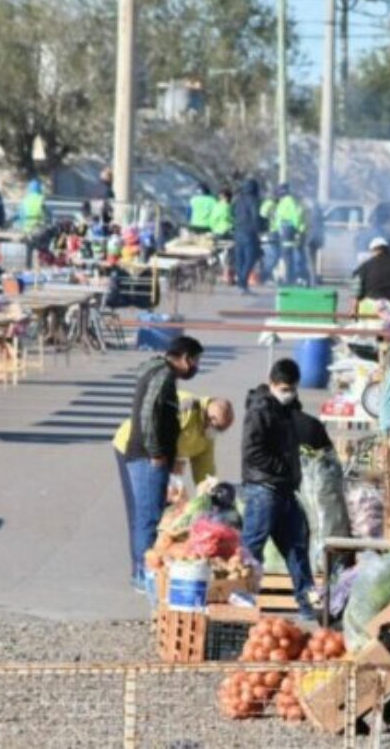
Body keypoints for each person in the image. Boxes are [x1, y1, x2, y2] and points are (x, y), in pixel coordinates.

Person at [123, 336, 204, 590]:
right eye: (195, 361)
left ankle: (144, 573)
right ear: (183, 357)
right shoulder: (164, 376)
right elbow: (148, 413)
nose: (195, 367)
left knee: (146, 517)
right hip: (148, 458)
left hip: (143, 455)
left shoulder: (155, 369)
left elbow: (157, 410)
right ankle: (144, 576)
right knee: (148, 519)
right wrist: (157, 451)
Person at [242, 358, 316, 620]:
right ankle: (240, 603)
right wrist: (283, 467)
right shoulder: (260, 410)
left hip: (284, 489)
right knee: (252, 548)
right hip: (264, 488)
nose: (290, 394)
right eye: (285, 388)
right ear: (272, 384)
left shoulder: (288, 408)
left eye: (293, 388)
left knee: (297, 545)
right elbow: (253, 453)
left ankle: (308, 605)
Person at [112, 394, 235, 489]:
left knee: (164, 506)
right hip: (134, 445)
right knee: (143, 505)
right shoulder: (186, 410)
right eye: (218, 428)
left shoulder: (207, 433)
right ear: (210, 419)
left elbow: (204, 465)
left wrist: (210, 488)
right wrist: (170, 463)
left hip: (159, 458)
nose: (218, 433)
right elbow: (154, 435)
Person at [274, 183, 309, 286]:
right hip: (285, 229)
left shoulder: (288, 201)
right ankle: (289, 277)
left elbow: (294, 215)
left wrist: (296, 228)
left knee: (288, 255)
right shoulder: (284, 201)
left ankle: (290, 279)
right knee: (286, 255)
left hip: (288, 229)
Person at [232, 178, 262, 294]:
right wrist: (258, 228)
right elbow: (255, 216)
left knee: (240, 259)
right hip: (249, 232)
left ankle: (241, 284)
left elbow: (232, 212)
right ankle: (243, 282)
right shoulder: (253, 200)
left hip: (238, 231)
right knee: (250, 258)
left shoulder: (238, 200)